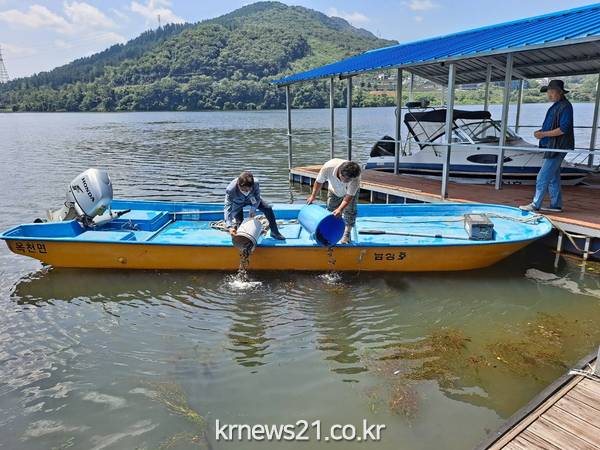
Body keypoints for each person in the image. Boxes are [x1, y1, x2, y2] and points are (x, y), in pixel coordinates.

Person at [520, 80, 574, 213]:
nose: (549, 94)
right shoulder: (557, 106)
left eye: (552, 91)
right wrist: (540, 132)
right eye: (548, 92)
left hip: (557, 147)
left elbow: (563, 129)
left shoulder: (565, 106)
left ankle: (535, 205)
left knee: (542, 176)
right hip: (551, 145)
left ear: (560, 92)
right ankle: (556, 205)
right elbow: (552, 126)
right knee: (553, 177)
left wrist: (543, 134)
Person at [306, 159, 362, 244]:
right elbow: (319, 182)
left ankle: (347, 234)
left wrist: (340, 209)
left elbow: (349, 196)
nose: (349, 181)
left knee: (350, 210)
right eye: (347, 179)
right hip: (334, 189)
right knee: (331, 210)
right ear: (340, 173)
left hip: (350, 193)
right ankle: (328, 231)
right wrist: (313, 196)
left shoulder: (355, 178)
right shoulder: (328, 168)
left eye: (351, 180)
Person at [224, 171, 285, 240]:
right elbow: (228, 207)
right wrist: (229, 226)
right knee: (239, 220)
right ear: (238, 184)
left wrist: (253, 209)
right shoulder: (230, 190)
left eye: (249, 189)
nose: (247, 191)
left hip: (252, 199)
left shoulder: (256, 183)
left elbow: (257, 197)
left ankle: (275, 232)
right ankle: (239, 232)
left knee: (268, 208)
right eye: (244, 189)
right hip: (238, 203)